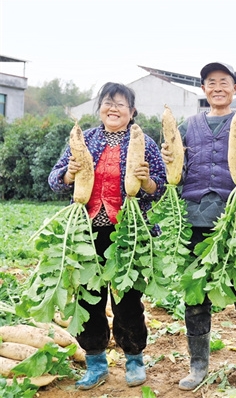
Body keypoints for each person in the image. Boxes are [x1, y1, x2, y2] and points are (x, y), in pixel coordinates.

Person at [48, 82, 167, 390]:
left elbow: (162, 187)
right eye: (107, 102)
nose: (113, 108)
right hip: (87, 232)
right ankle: (96, 363)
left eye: (120, 104)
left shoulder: (144, 142)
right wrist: (69, 174)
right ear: (100, 107)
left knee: (128, 299)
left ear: (132, 111)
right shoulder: (84, 140)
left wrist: (147, 181)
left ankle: (134, 360)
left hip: (128, 231)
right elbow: (54, 180)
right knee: (89, 298)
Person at [160, 62, 236, 390]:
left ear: (235, 88)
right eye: (211, 82)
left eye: (224, 82)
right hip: (194, 219)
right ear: (203, 89)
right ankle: (198, 366)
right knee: (195, 296)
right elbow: (177, 169)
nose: (217, 87)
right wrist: (169, 158)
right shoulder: (188, 125)